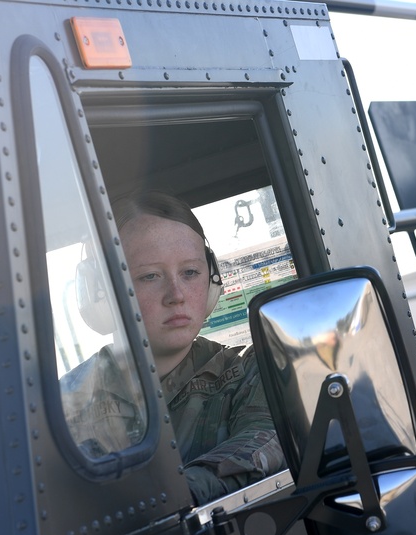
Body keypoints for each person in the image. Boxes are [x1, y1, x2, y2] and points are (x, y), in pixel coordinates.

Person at [61, 191, 284, 504]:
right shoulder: (58, 409)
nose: (176, 294)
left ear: (211, 281)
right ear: (101, 293)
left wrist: (168, 498)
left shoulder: (250, 374)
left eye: (190, 272)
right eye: (150, 276)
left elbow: (264, 441)